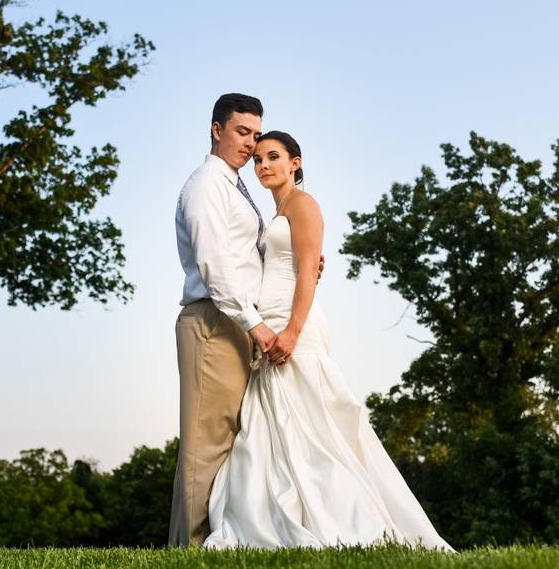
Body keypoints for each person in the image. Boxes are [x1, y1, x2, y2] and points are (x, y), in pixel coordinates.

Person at [202, 131, 456, 552]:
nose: (263, 165)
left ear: (295, 163)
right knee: (277, 426)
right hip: (272, 321)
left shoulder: (304, 204)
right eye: (259, 160)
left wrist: (292, 331)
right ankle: (276, 516)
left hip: (294, 325)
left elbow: (306, 274)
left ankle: (344, 515)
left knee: (315, 424)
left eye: (273, 157)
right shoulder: (277, 210)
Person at [169, 93, 278, 546]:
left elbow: (244, 256)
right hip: (214, 321)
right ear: (217, 130)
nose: (251, 144)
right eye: (241, 132)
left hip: (235, 320)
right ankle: (187, 548)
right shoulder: (206, 186)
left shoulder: (235, 186)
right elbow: (216, 266)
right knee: (205, 441)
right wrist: (254, 325)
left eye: (256, 135)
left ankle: (219, 540)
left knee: (231, 437)